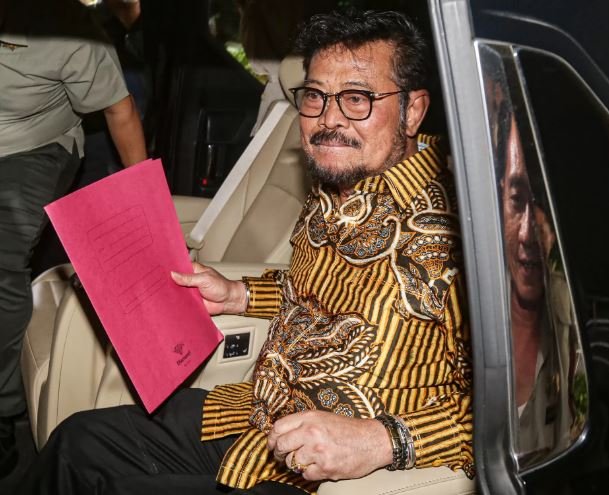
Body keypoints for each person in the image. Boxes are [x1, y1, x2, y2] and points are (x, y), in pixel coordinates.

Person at [19, 9, 472, 494]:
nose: (328, 119)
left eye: (357, 99)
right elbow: (311, 291)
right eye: (315, 96)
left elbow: (511, 408)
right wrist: (239, 294)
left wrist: (382, 440)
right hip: (257, 415)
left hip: (327, 478)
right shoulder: (335, 187)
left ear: (413, 110)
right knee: (78, 443)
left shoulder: (461, 232)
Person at [0, 0, 146, 479]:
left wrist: (143, 200)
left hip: (32, 146)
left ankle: (4, 407)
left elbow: (120, 110)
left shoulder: (69, 30)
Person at [497, 106, 580, 462]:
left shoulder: (579, 324)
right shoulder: (458, 306)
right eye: (518, 200)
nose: (527, 233)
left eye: (543, 203)